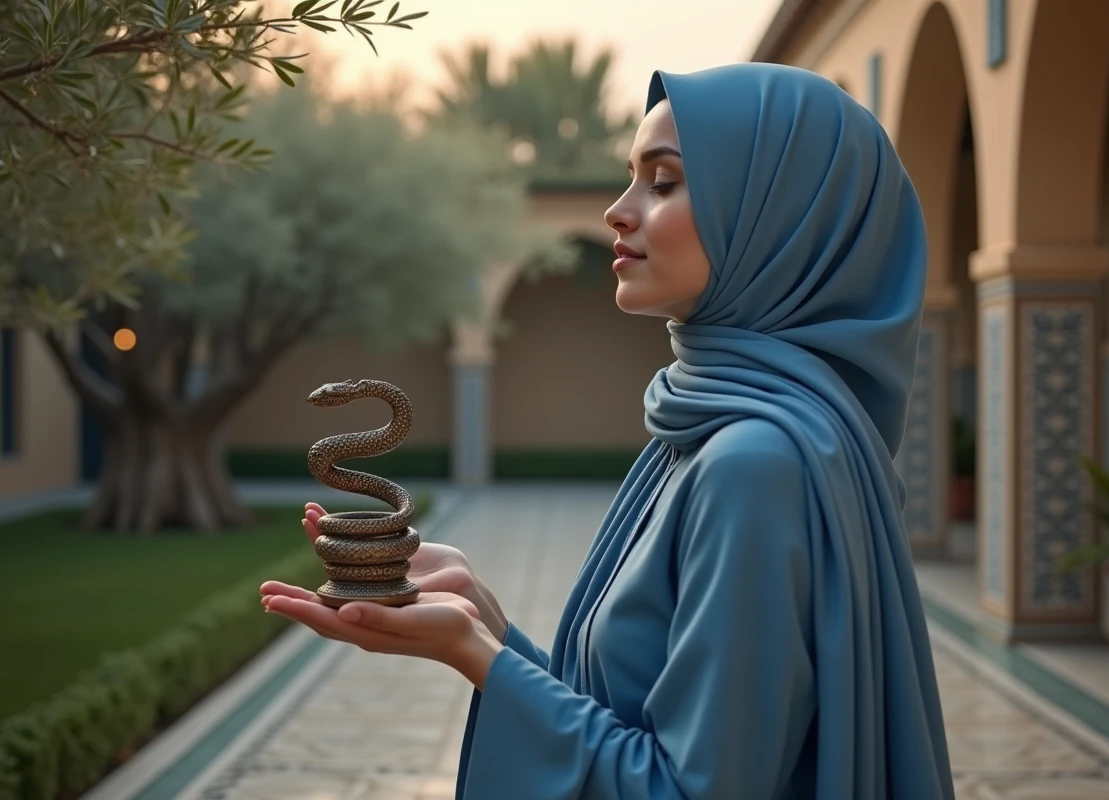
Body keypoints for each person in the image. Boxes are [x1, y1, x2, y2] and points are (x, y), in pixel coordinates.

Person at [261, 62, 956, 799]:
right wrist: (486, 621)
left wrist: (473, 655)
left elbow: (687, 790)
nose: (618, 213)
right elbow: (629, 725)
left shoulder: (756, 463)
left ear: (777, 218)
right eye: (631, 177)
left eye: (663, 182)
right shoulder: (705, 430)